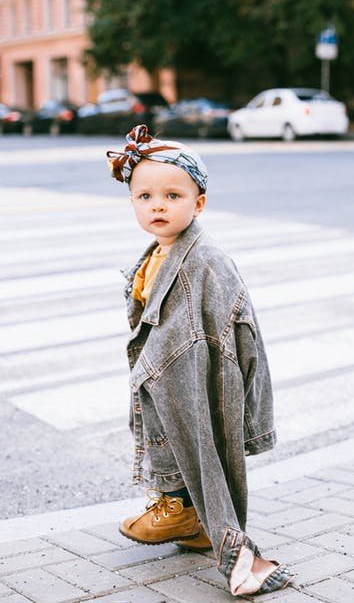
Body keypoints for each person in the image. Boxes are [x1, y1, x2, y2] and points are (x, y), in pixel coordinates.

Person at [106, 125, 294, 596]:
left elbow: (232, 337)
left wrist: (242, 405)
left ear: (199, 202)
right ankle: (186, 515)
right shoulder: (159, 250)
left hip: (194, 372)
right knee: (179, 441)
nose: (158, 205)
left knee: (199, 447)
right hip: (167, 373)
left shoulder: (206, 259)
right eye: (144, 196)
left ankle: (219, 537)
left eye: (173, 194)